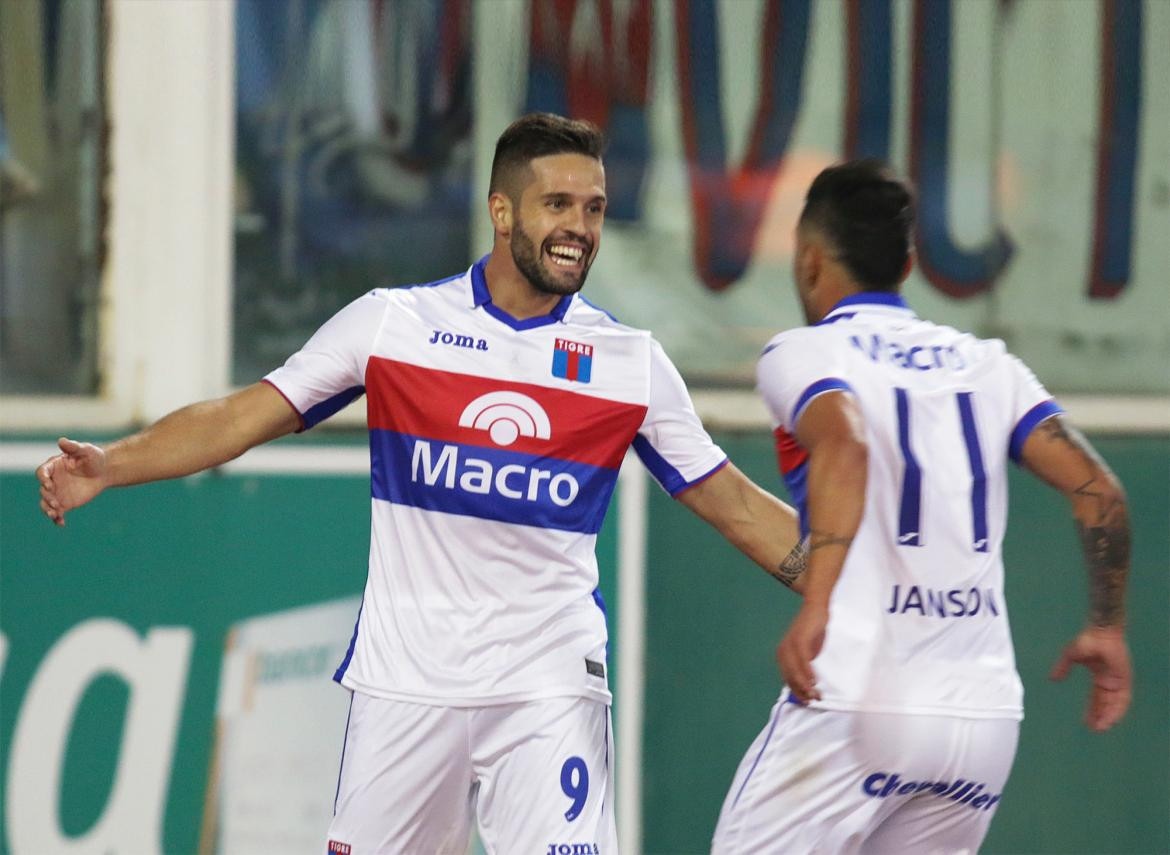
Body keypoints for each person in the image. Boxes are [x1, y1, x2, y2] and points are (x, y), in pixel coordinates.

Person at [37, 113, 807, 854]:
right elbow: (240, 417)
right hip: (406, 684)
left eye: (595, 208)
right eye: (559, 204)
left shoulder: (628, 362)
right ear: (501, 212)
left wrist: (851, 584)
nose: (580, 226)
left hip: (546, 686)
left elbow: (735, 504)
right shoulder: (394, 325)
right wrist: (113, 464)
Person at [711, 160, 1132, 853]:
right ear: (908, 265)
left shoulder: (804, 353)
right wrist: (1107, 626)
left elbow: (843, 448)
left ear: (810, 262)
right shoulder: (990, 364)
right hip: (980, 720)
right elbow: (1099, 490)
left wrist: (816, 602)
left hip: (856, 699)